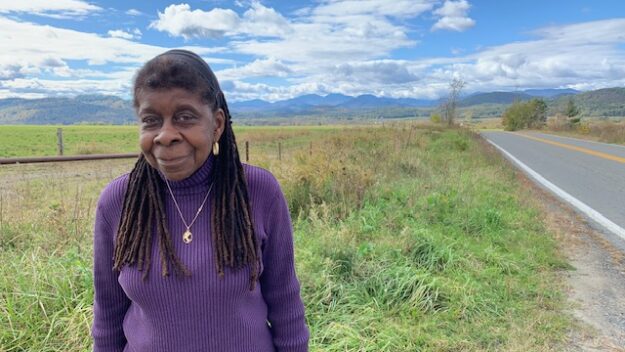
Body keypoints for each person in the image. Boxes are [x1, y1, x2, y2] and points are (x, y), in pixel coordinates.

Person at [91, 49, 309, 352]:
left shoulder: (257, 191)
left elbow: (285, 304)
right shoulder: (119, 203)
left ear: (217, 124)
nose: (165, 135)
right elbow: (107, 317)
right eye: (151, 120)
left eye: (184, 117)